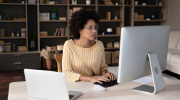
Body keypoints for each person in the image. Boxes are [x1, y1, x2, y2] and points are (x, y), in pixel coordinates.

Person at [62, 8, 115, 84]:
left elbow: (102, 67)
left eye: (95, 27)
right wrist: (90, 78)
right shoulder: (69, 45)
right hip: (76, 85)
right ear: (79, 29)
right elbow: (67, 73)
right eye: (90, 28)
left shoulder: (99, 45)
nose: (94, 31)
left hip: (97, 84)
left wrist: (105, 73)